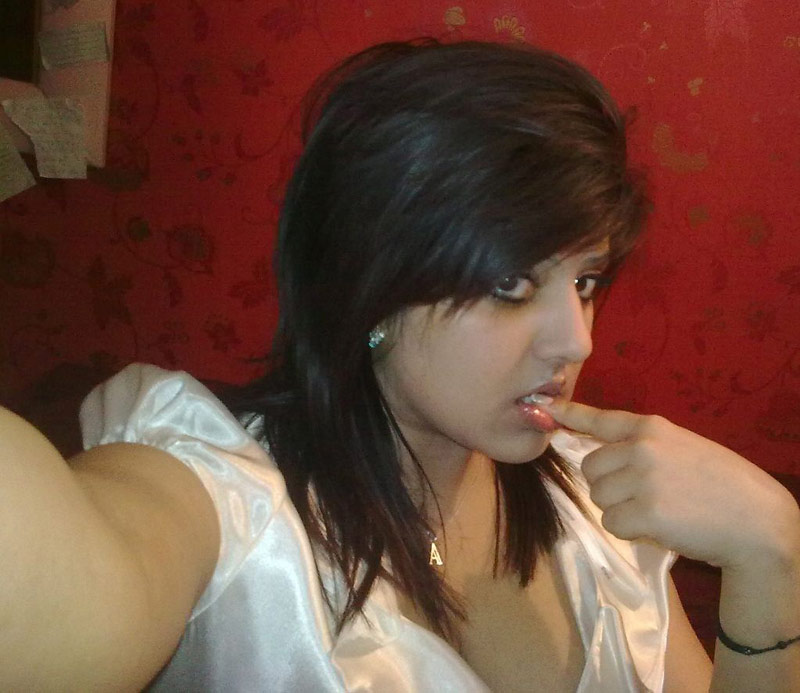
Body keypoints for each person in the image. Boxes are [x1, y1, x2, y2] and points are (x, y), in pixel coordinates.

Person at [1, 39, 798, 692]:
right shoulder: (229, 501)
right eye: (510, 283)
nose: (578, 340)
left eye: (585, 281)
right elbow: (72, 595)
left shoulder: (598, 499)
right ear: (371, 285)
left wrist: (772, 553)